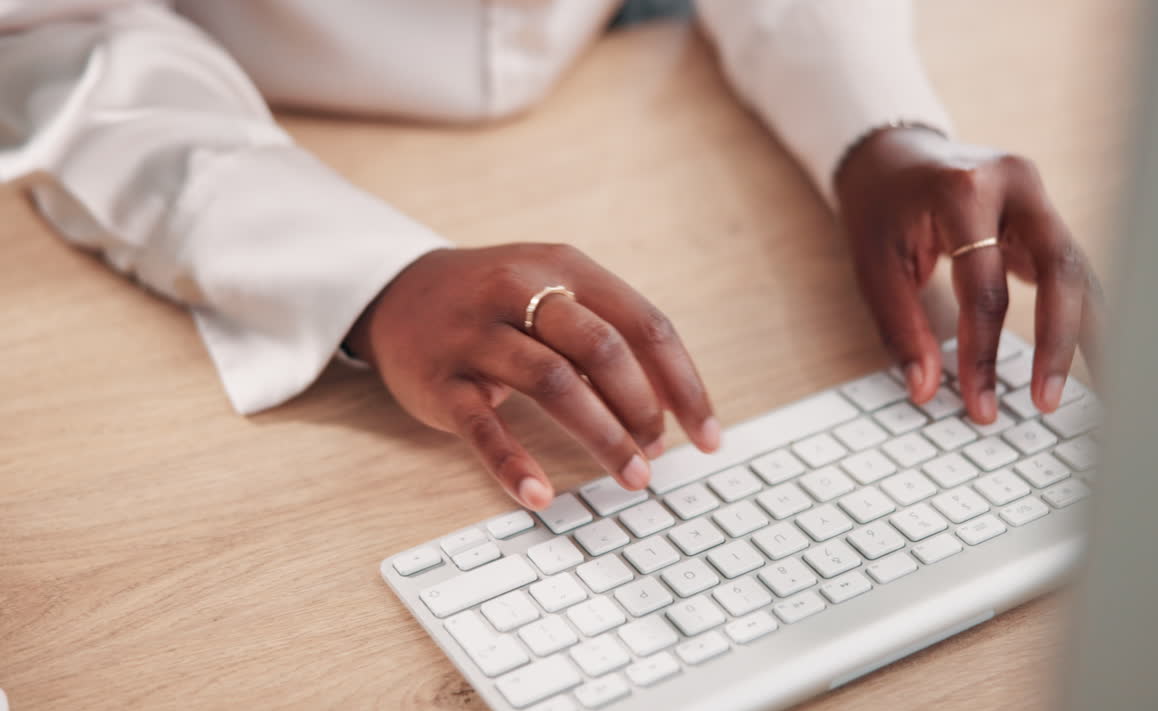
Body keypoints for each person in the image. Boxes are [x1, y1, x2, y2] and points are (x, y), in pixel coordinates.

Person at [0, 1, 1102, 511]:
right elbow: (46, 34)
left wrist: (877, 127)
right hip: (258, 96)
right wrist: (368, 277)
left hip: (630, 79)